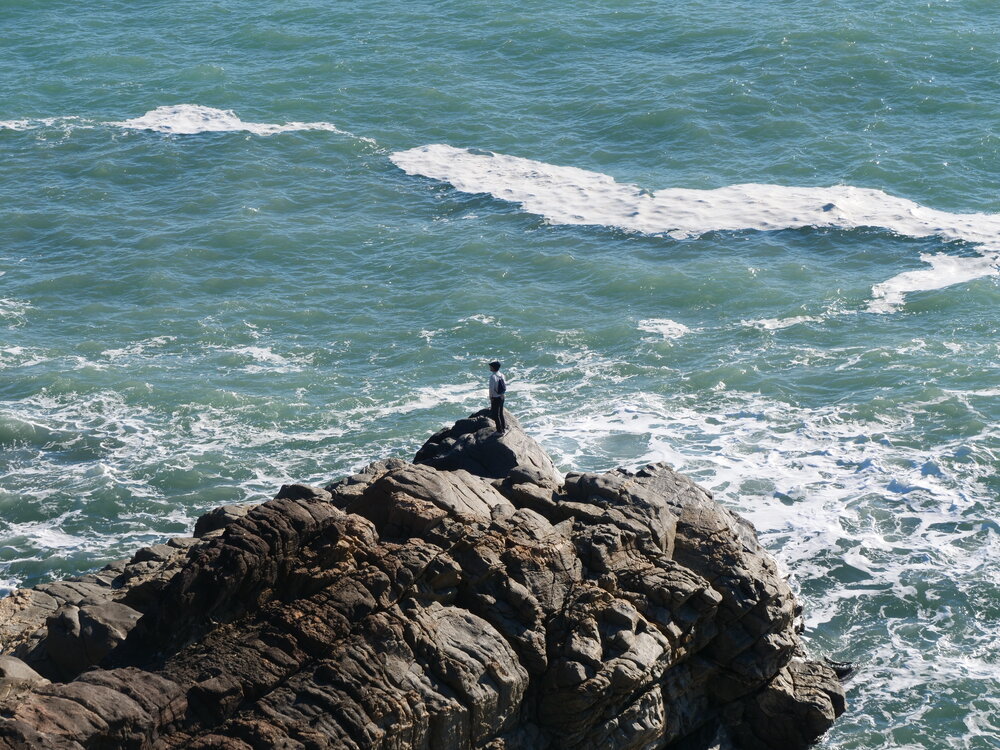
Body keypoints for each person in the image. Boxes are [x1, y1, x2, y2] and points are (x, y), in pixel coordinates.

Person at [488, 361, 507, 434]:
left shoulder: (492, 377)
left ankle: (499, 431)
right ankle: (503, 428)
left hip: (495, 397)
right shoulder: (502, 375)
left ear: (493, 367)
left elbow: (491, 389)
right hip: (502, 396)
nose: (490, 367)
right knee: (501, 413)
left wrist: (491, 398)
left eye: (490, 366)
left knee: (496, 415)